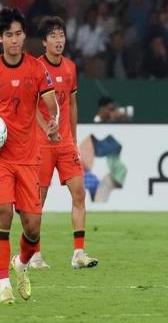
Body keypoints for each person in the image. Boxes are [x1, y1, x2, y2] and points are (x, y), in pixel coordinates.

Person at [0, 7, 60, 304]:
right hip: (1, 159)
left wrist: (53, 119)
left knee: (33, 229)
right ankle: (3, 285)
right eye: (8, 35)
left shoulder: (36, 69)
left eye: (19, 34)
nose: (14, 40)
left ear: (24, 36)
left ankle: (20, 264)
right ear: (0, 38)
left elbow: (51, 102)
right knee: (4, 214)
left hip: (29, 158)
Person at [29, 16, 98, 270]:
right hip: (42, 144)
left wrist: (74, 138)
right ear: (44, 41)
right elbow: (30, 105)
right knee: (38, 201)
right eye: (53, 36)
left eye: (61, 35)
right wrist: (46, 128)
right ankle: (34, 255)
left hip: (66, 144)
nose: (59, 40)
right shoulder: (36, 68)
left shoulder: (70, 68)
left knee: (79, 193)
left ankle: (78, 253)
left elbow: (72, 104)